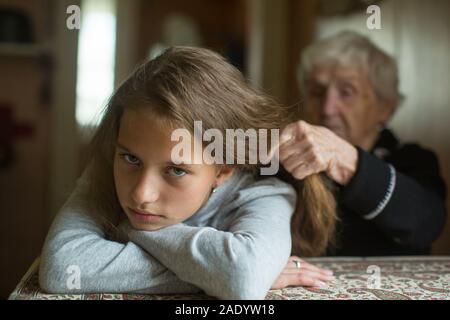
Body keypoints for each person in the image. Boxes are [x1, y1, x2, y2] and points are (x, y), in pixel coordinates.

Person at [39, 47, 335, 300]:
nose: (142, 194)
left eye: (176, 170)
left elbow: (243, 276)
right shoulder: (104, 169)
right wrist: (214, 274)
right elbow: (62, 267)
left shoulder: (265, 193)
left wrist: (128, 230)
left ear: (224, 168)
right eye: (131, 158)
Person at [278, 31, 447, 256]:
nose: (328, 108)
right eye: (317, 92)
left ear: (385, 107)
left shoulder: (413, 160)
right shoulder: (285, 161)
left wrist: (344, 159)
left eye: (346, 93)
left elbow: (425, 224)